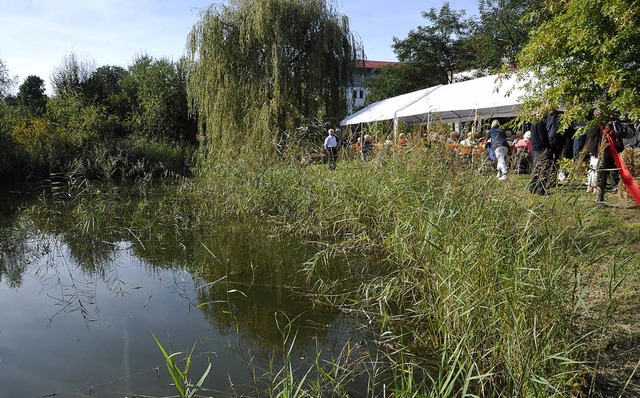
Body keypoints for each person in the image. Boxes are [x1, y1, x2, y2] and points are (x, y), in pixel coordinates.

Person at [528, 115, 555, 195]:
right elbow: (542, 138)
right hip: (541, 149)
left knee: (535, 170)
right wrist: (548, 146)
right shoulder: (540, 125)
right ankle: (541, 189)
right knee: (543, 170)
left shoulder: (532, 125)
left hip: (535, 148)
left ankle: (532, 188)